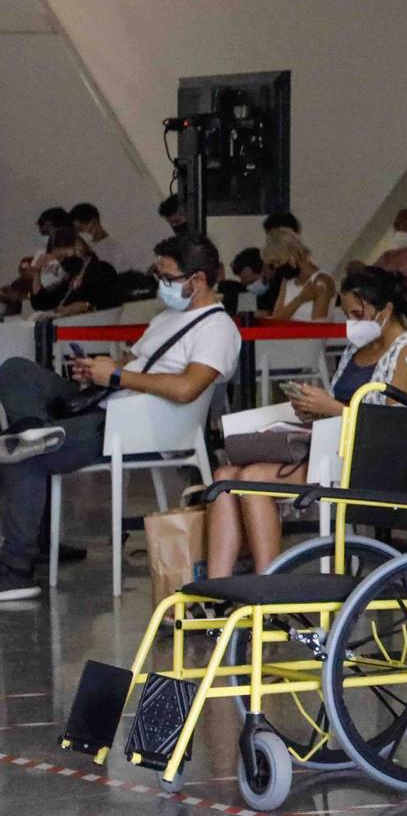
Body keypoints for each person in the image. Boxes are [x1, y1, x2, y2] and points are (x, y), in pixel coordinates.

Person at [0, 234, 242, 601]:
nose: (161, 284)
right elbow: (139, 364)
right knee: (17, 369)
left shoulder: (217, 329)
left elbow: (187, 389)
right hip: (109, 400)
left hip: (136, 424)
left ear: (199, 280)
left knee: (23, 459)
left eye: (168, 277)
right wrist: (103, 369)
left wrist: (115, 376)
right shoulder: (168, 318)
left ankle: (16, 571)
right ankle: (34, 430)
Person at [203, 267, 407, 578]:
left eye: (356, 313)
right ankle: (217, 586)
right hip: (332, 445)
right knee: (225, 476)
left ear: (386, 310)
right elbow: (344, 406)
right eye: (348, 314)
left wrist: (333, 408)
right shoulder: (357, 349)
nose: (351, 322)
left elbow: (394, 428)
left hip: (367, 460)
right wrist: (313, 409)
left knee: (253, 478)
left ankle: (266, 584)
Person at [27, 228, 121, 317]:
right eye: (59, 259)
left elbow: (114, 303)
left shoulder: (102, 270)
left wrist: (85, 306)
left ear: (78, 246)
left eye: (64, 256)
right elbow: (41, 303)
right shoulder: (70, 280)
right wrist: (36, 272)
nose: (62, 262)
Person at [259, 227, 336, 321]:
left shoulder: (322, 281)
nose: (277, 268)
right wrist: (300, 299)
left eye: (278, 262)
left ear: (291, 256)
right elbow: (277, 319)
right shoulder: (287, 281)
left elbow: (318, 328)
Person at [68, 202, 136, 275]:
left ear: (93, 223)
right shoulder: (83, 251)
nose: (79, 236)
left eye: (80, 230)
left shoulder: (114, 250)